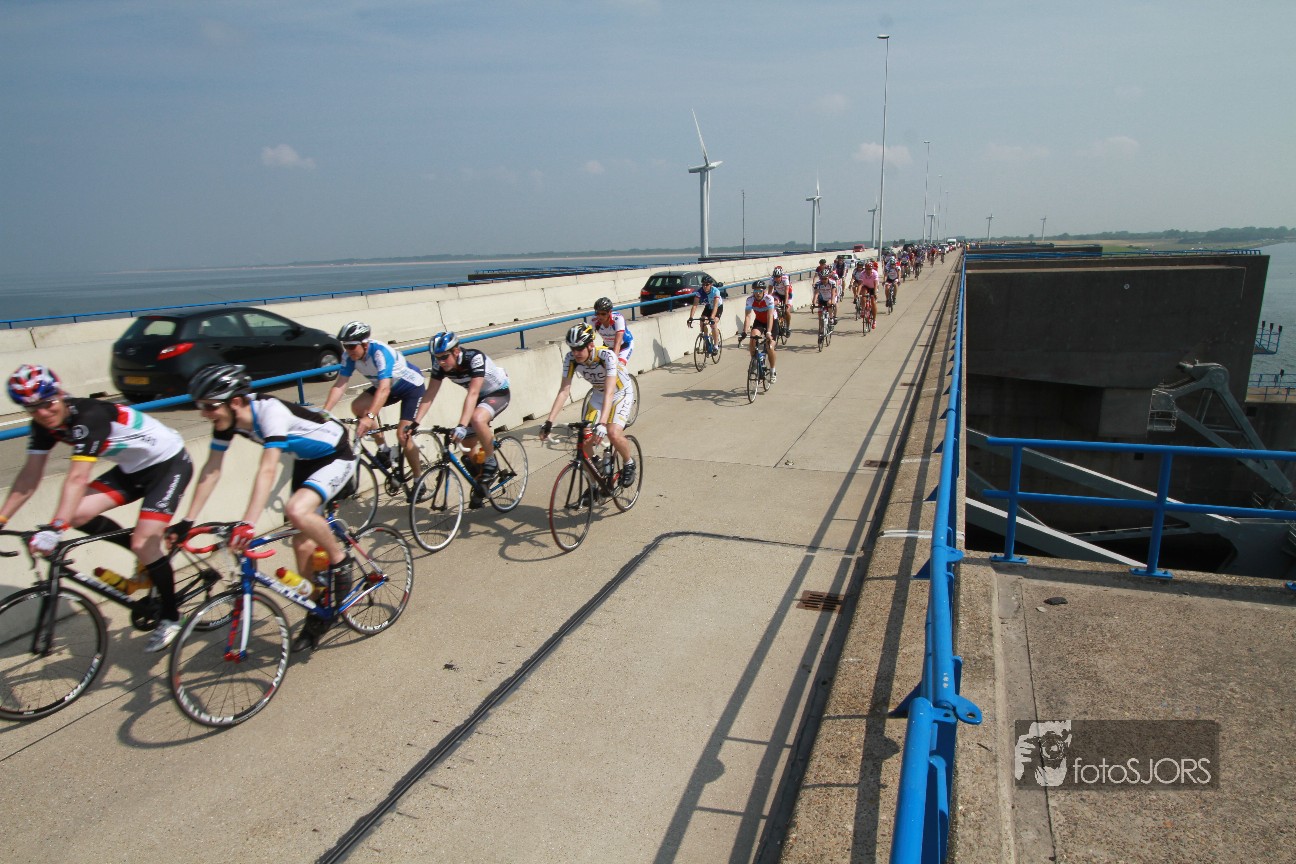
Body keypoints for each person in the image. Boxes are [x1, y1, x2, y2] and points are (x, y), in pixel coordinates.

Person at [0, 365, 194, 652]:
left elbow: (77, 478)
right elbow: (29, 475)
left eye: (47, 402)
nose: (42, 412)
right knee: (79, 515)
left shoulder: (89, 416)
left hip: (169, 464)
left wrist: (57, 527)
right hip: (131, 469)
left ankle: (171, 616)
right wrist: (2, 518)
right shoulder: (43, 425)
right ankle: (145, 557)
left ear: (60, 393)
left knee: (144, 543)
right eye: (31, 408)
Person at [178, 364, 357, 652]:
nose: (204, 414)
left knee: (297, 510)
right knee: (301, 543)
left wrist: (248, 523)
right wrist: (187, 520)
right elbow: (211, 470)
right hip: (305, 460)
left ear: (236, 401)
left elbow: (267, 469)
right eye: (200, 406)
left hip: (336, 454)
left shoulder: (270, 411)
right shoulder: (227, 421)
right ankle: (318, 612)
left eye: (210, 406)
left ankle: (340, 559)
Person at [416, 332, 511, 508]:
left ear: (456, 351)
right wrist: (415, 422)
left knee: (477, 419)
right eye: (436, 358)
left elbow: (473, 393)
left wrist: (461, 425)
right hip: (479, 398)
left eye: (444, 357)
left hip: (498, 392)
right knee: (467, 447)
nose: (440, 362)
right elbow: (430, 394)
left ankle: (491, 461)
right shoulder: (440, 366)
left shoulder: (474, 358)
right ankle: (482, 482)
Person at [321, 321, 426, 481]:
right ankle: (384, 450)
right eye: (345, 346)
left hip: (411, 388)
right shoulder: (349, 356)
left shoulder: (380, 352)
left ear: (364, 344)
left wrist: (370, 417)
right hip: (386, 387)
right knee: (358, 406)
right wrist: (325, 412)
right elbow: (340, 385)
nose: (348, 350)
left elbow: (384, 389)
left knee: (403, 435)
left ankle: (419, 480)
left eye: (351, 346)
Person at [539, 324, 636, 488]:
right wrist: (549, 422)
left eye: (579, 348)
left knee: (612, 432)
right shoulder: (570, 359)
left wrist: (603, 423)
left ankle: (629, 463)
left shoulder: (606, 356)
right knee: (584, 441)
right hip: (598, 394)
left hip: (620, 393)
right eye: (572, 348)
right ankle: (593, 486)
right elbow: (564, 391)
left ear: (591, 345)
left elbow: (610, 392)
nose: (575, 353)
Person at [739, 281, 779, 383]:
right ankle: (754, 361)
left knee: (770, 347)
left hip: (772, 321)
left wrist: (768, 332)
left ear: (764, 291)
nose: (757, 293)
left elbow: (770, 316)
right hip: (759, 321)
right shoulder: (750, 300)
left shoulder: (769, 299)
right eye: (755, 291)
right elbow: (748, 316)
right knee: (753, 337)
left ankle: (773, 370)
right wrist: (744, 331)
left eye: (760, 291)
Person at [687, 275, 724, 355]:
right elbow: (695, 305)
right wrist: (691, 317)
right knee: (702, 321)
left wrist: (711, 318)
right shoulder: (700, 292)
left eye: (706, 284)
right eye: (703, 284)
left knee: (713, 324)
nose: (704, 286)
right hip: (708, 307)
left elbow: (715, 306)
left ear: (711, 285)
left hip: (717, 307)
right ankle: (706, 340)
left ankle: (716, 346)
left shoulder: (715, 291)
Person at [591, 297, 633, 366]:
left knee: (618, 367)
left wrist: (614, 361)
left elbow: (617, 343)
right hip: (608, 346)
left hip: (624, 345)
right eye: (597, 313)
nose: (600, 316)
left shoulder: (617, 319)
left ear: (610, 312)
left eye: (603, 314)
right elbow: (590, 339)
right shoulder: (594, 320)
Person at [769, 265, 793, 336]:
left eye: (778, 277)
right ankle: (778, 320)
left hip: (787, 295)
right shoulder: (772, 280)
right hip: (778, 294)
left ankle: (788, 327)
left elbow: (786, 292)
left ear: (781, 276)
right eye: (775, 277)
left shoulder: (785, 279)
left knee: (787, 311)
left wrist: (786, 304)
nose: (776, 279)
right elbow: (770, 292)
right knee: (773, 304)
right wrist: (768, 302)